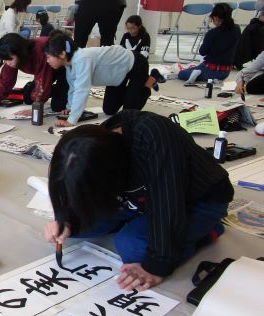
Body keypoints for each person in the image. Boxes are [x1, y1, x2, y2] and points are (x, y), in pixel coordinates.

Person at [45, 110, 233, 292]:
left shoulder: (154, 135)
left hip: (194, 199)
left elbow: (167, 205)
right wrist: (66, 219)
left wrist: (158, 265)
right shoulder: (96, 144)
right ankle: (136, 222)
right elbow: (77, 190)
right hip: (139, 198)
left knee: (132, 247)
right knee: (78, 227)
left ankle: (209, 231)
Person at [44, 31, 162, 127]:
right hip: (117, 75)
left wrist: (71, 120)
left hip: (135, 64)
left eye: (49, 57)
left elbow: (82, 89)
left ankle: (150, 80)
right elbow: (73, 87)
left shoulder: (82, 59)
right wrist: (70, 108)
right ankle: (134, 89)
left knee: (128, 114)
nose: (47, 60)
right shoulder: (68, 65)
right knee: (109, 110)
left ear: (62, 54)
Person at [0, 33, 68, 116]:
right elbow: (5, 80)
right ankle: (51, 90)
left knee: (57, 106)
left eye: (10, 59)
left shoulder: (39, 50)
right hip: (46, 71)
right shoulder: (14, 56)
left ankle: (60, 90)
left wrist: (34, 109)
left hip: (63, 68)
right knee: (28, 97)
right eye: (5, 60)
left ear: (19, 52)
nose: (8, 63)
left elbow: (43, 78)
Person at [179, 3, 241, 85]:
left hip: (212, 70)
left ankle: (199, 74)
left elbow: (202, 51)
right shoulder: (236, 29)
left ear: (216, 17)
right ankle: (198, 72)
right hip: (226, 71)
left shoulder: (212, 33)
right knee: (196, 68)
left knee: (182, 74)